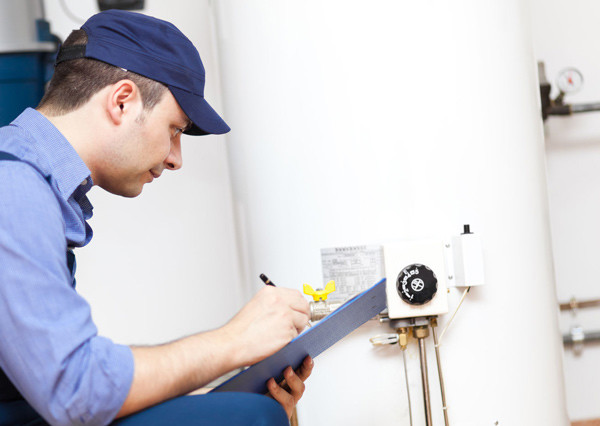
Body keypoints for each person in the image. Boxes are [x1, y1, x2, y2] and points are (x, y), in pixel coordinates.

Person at [0, 10, 312, 426]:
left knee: (249, 411)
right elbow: (75, 391)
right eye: (175, 130)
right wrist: (233, 342)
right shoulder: (13, 188)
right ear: (123, 100)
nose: (175, 158)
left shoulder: (27, 180)